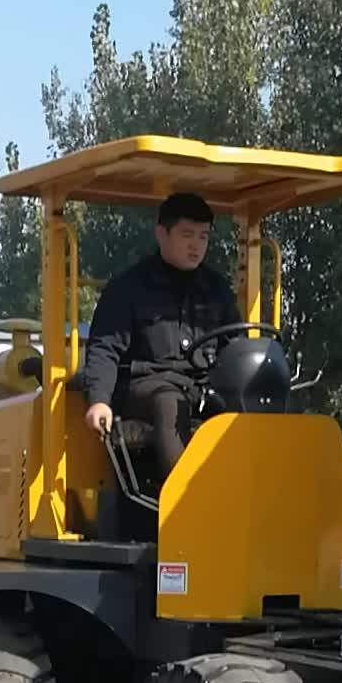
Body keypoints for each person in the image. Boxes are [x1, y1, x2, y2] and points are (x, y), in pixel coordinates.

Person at [82, 191, 240, 482]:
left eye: (203, 237)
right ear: (161, 233)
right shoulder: (128, 289)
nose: (196, 246)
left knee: (244, 407)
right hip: (142, 387)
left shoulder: (217, 290)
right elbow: (105, 349)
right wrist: (99, 400)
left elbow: (235, 347)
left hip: (199, 387)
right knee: (169, 400)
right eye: (187, 235)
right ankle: (184, 506)